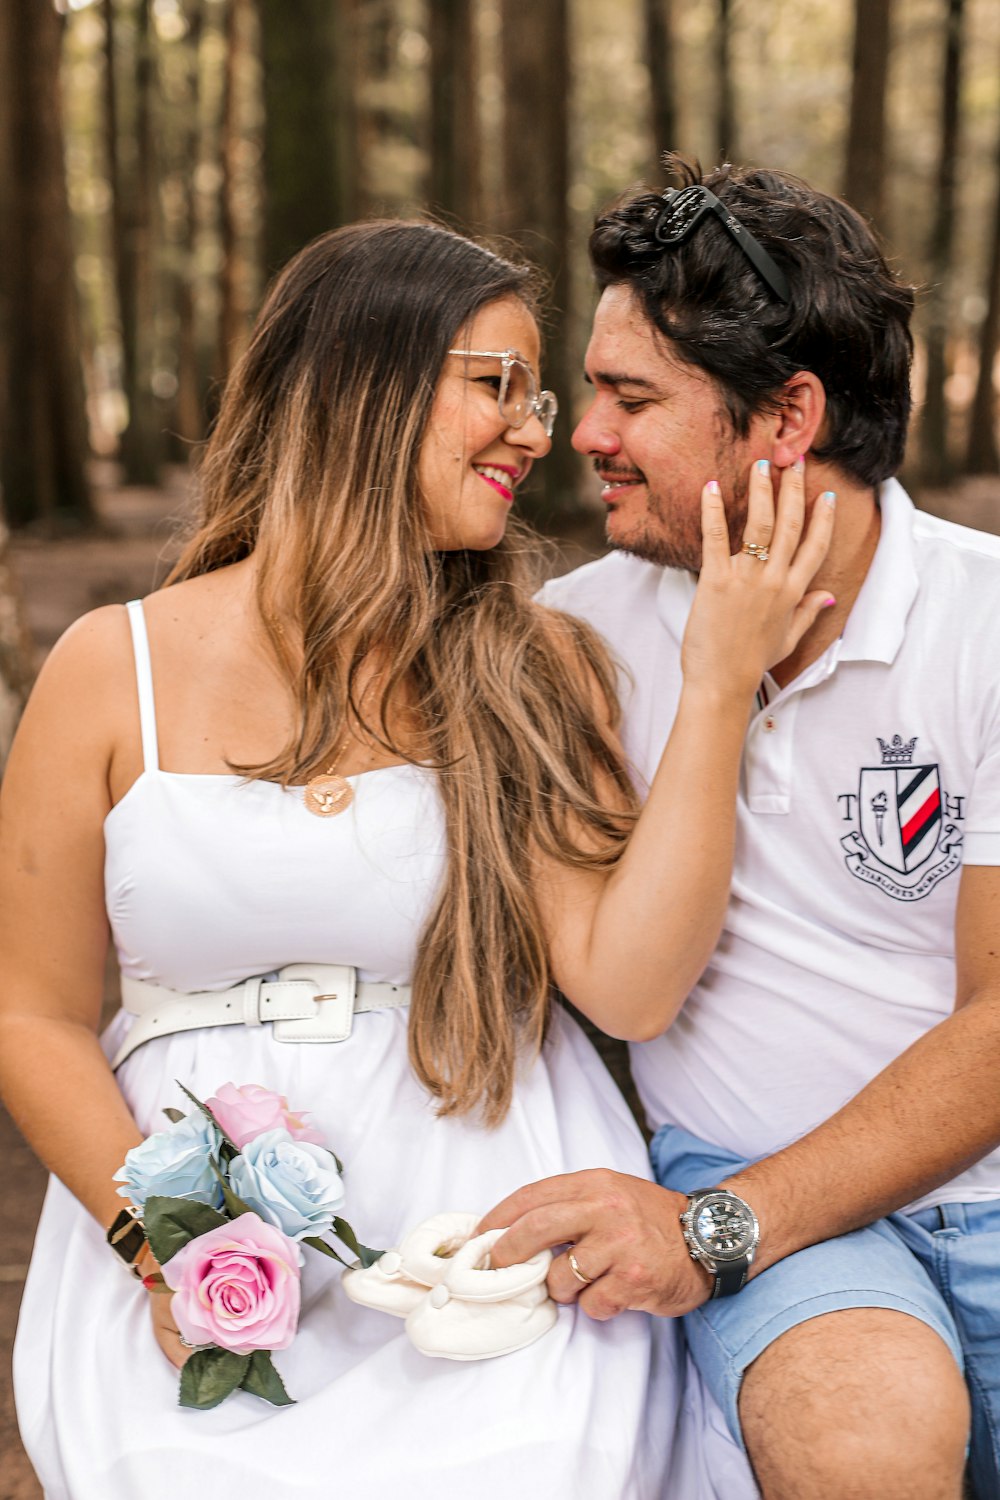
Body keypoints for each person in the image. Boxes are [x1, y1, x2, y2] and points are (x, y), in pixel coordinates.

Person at [0, 218, 831, 1500]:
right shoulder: (113, 671)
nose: (538, 431)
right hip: (187, 1226)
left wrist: (718, 686)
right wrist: (157, 1248)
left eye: (537, 394)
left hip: (476, 1223)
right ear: (356, 384)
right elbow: (33, 1016)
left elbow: (629, 985)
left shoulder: (524, 665)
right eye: (494, 385)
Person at [483, 158, 1000, 1500]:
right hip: (778, 1222)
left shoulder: (989, 626)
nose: (580, 433)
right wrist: (728, 1221)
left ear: (787, 418)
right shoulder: (583, 641)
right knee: (863, 1457)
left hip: (937, 1196)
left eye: (630, 397)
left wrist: (714, 1230)